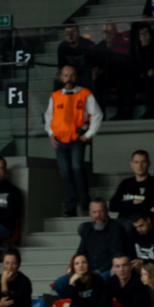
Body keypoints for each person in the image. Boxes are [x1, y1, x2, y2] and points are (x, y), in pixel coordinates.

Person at [45, 65, 104, 217]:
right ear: (61, 77)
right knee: (65, 173)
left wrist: (89, 134)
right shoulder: (55, 96)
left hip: (77, 138)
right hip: (60, 141)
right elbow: (48, 117)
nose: (68, 79)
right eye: (65, 75)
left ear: (76, 77)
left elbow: (97, 114)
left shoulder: (85, 94)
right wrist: (51, 133)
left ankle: (85, 203)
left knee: (77, 169)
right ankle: (70, 207)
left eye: (71, 75)